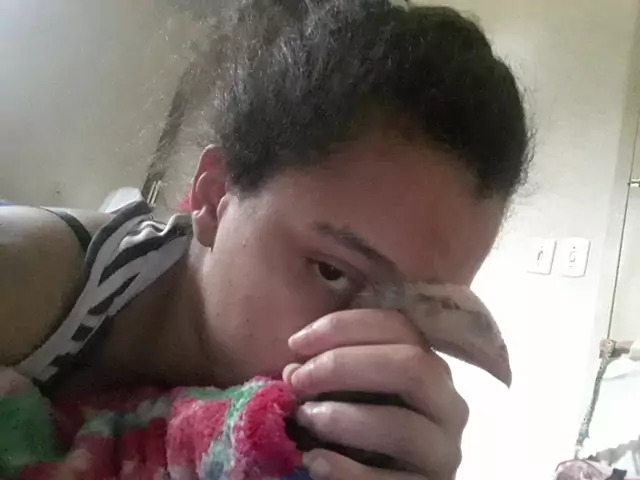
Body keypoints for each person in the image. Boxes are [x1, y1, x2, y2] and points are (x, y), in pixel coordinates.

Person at [0, 0, 530, 478]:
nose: (367, 346)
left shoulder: (306, 430)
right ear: (214, 196)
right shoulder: (29, 284)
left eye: (420, 320)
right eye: (332, 271)